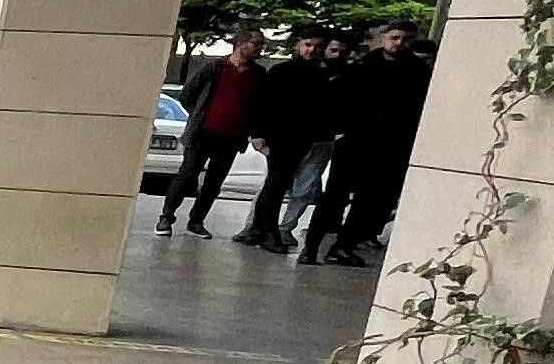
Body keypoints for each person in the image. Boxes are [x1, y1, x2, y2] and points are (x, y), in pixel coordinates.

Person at [300, 20, 432, 265]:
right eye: (395, 38)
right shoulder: (363, 67)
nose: (400, 43)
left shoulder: (418, 72)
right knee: (334, 197)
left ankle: (344, 245)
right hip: (355, 142)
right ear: (384, 38)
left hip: (391, 146)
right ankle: (311, 248)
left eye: (405, 39)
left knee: (373, 202)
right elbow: (338, 100)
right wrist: (339, 130)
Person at [159, 25, 269, 238]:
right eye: (256, 44)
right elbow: (187, 95)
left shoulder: (258, 74)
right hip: (202, 133)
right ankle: (166, 217)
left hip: (231, 137)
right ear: (241, 43)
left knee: (214, 182)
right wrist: (199, 115)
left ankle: (196, 221)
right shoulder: (214, 68)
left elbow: (258, 106)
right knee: (187, 175)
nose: (260, 49)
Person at [243, 29, 345, 252]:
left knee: (276, 184)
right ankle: (266, 232)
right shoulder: (282, 71)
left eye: (318, 46)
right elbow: (262, 103)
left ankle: (258, 229)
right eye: (308, 44)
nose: (312, 50)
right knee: (275, 186)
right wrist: (258, 133)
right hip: (279, 137)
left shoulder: (321, 76)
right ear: (300, 45)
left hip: (302, 138)